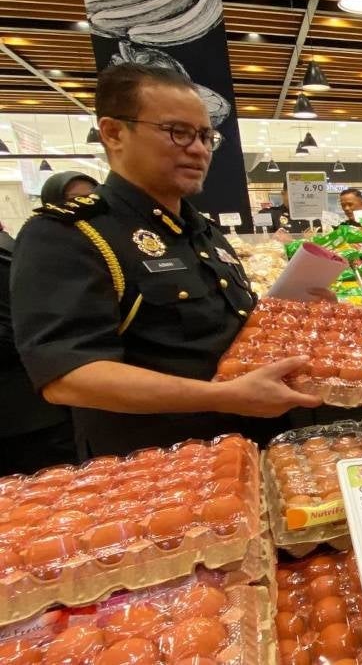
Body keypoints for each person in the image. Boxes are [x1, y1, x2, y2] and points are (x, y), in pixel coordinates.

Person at [11, 62, 320, 458]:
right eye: (178, 132)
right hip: (157, 468)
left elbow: (224, 334)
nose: (198, 149)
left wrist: (296, 318)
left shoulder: (202, 230)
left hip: (250, 445)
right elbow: (69, 375)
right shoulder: (69, 234)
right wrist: (222, 396)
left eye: (206, 136)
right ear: (114, 132)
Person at [0, 170, 99, 473]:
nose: (87, 205)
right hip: (27, 409)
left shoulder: (106, 250)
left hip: (65, 407)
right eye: (76, 200)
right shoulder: (41, 246)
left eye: (93, 198)